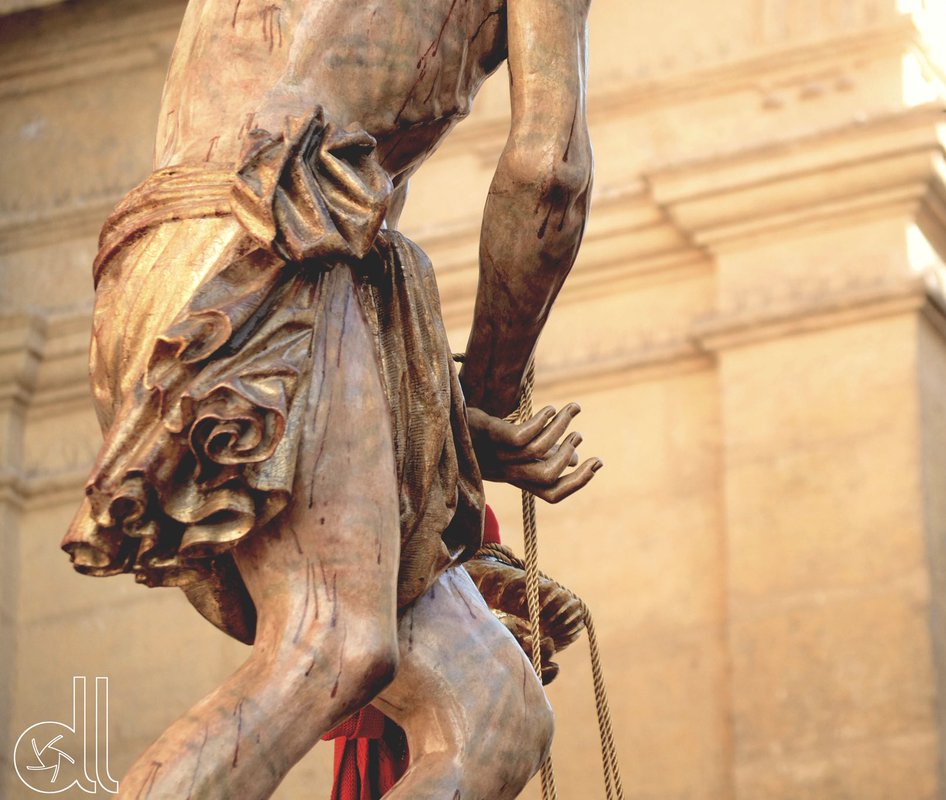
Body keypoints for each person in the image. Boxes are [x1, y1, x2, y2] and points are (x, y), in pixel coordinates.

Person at [60, 0, 597, 797]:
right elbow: (546, 172)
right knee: (328, 645)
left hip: (157, 265)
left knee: (493, 714)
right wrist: (487, 395)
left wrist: (449, 428)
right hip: (275, 251)